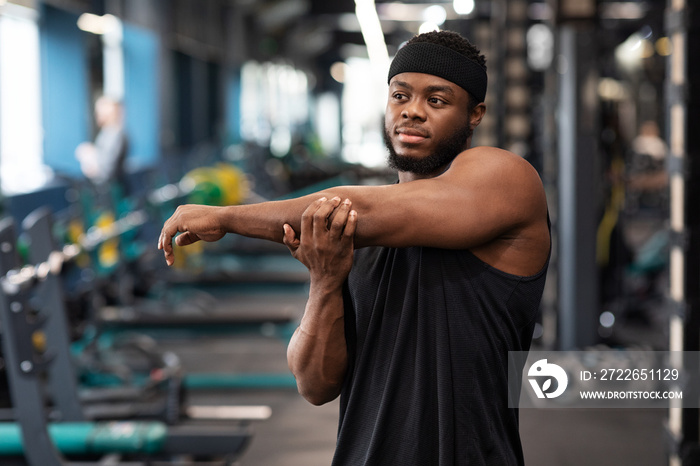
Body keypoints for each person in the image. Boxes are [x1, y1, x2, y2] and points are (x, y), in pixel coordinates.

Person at [159, 30, 550, 466]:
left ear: (474, 114)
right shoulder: (358, 232)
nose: (413, 112)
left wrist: (226, 217)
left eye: (436, 101)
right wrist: (324, 283)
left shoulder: (507, 179)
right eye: (400, 96)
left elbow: (354, 205)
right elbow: (315, 384)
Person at [75, 95, 129, 194]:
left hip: (110, 190)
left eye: (99, 111)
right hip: (109, 188)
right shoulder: (107, 132)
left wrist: (90, 156)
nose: (96, 114)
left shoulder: (114, 134)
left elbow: (106, 170)